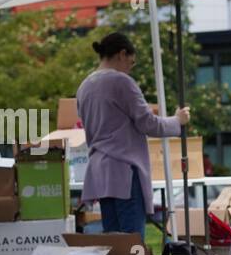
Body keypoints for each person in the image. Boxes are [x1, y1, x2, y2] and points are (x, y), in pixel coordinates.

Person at [77, 32, 189, 240]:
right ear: (121, 54)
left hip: (100, 173)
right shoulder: (121, 82)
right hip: (125, 171)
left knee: (113, 242)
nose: (131, 67)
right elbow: (148, 123)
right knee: (132, 241)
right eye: (131, 62)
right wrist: (177, 121)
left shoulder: (84, 87)